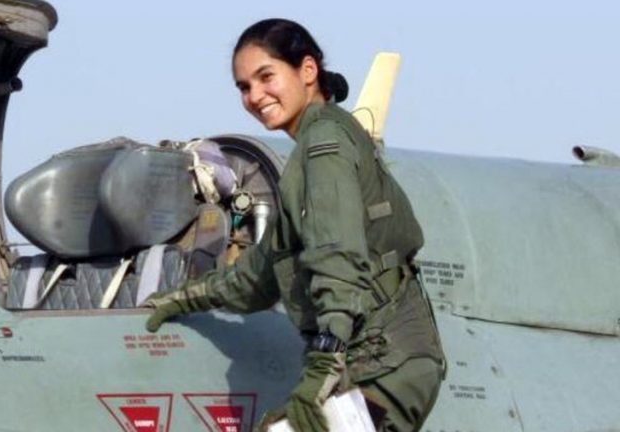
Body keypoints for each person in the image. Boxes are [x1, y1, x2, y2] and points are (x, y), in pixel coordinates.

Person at [144, 18, 445, 432]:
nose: (254, 96)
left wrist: (326, 358)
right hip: (377, 360)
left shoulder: (324, 144)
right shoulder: (309, 154)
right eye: (244, 86)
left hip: (384, 361)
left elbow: (337, 252)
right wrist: (184, 297)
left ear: (307, 70)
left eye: (266, 77)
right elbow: (260, 274)